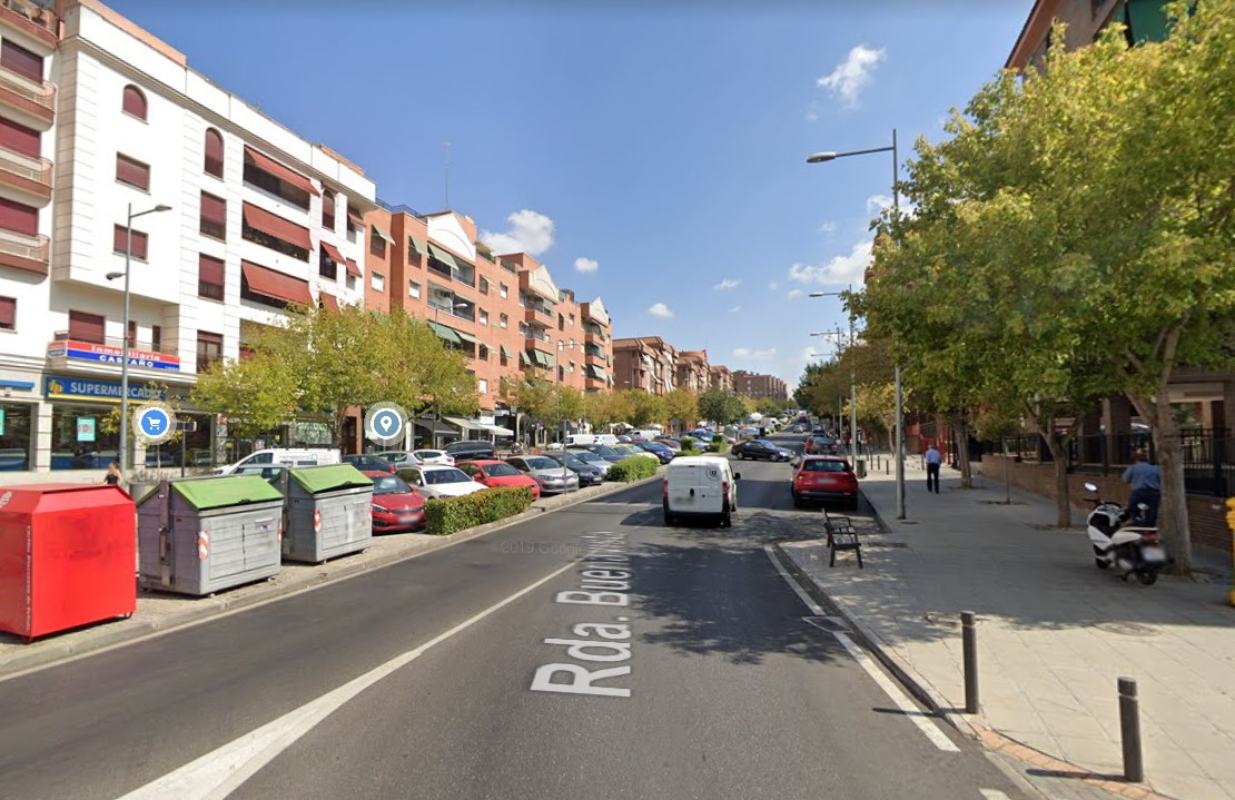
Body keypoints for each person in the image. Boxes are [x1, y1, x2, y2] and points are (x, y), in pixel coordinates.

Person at [1122, 450, 1161, 525]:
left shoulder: (1133, 468)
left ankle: (1138, 522)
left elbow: (1125, 479)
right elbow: (1160, 479)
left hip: (1139, 493)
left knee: (1133, 509)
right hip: (1154, 493)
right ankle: (1150, 525)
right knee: (1152, 510)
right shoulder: (1155, 468)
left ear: (1136, 459)